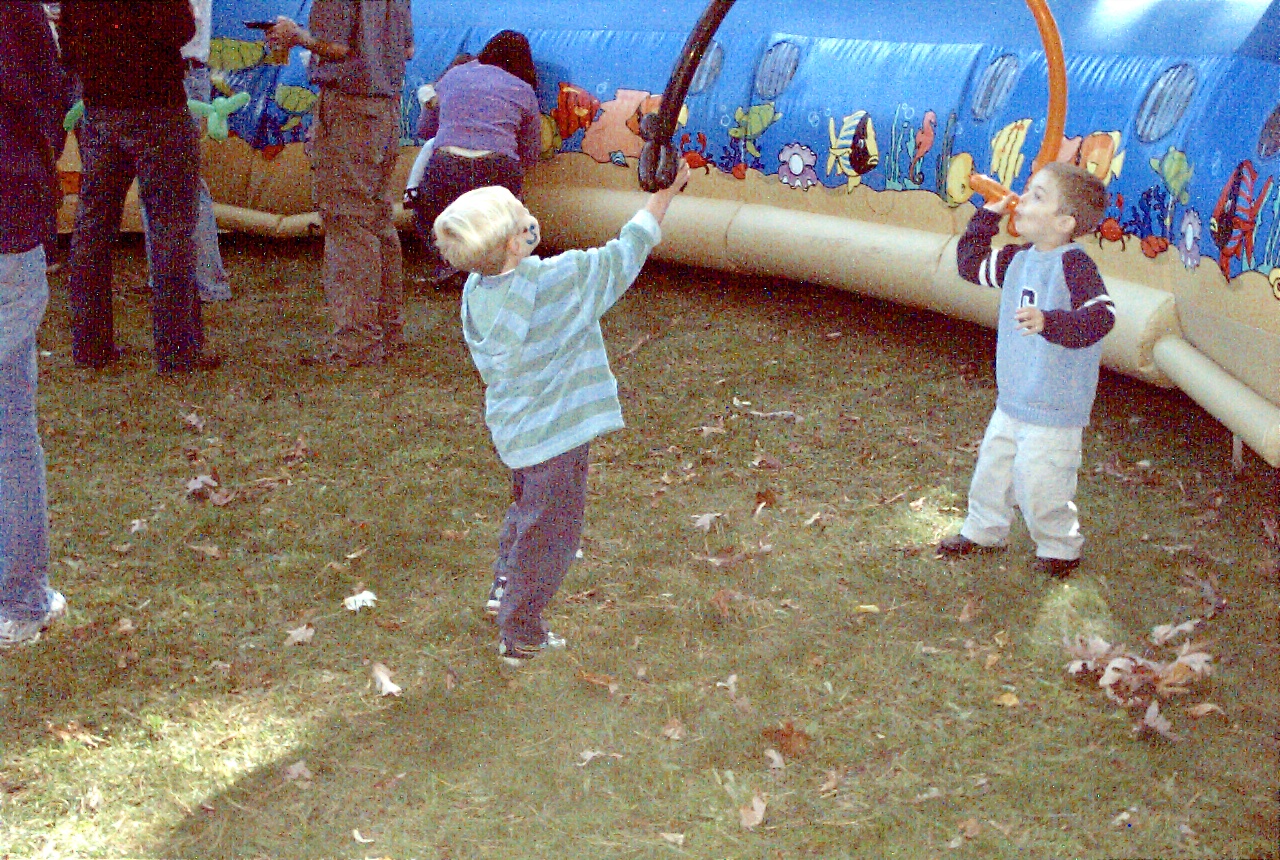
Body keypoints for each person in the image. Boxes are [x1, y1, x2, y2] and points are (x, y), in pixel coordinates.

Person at [434, 159, 691, 665]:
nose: (530, 216)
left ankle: (504, 584)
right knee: (551, 536)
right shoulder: (560, 281)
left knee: (526, 512)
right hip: (558, 435)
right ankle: (522, 633)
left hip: (518, 433)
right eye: (521, 214)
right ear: (516, 241)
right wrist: (662, 197)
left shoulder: (475, 290)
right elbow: (624, 254)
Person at [936, 162, 1113, 578]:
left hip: (1054, 406)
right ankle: (984, 530)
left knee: (1041, 481)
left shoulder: (1075, 265)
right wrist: (987, 217)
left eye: (1037, 195)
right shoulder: (1017, 259)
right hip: (1013, 397)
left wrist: (1051, 322)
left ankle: (1059, 547)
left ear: (1064, 222)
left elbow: (1102, 317)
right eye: (1028, 190)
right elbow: (969, 265)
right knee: (993, 469)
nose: (1023, 199)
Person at [60, 0, 220, 375]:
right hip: (159, 106)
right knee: (170, 229)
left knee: (92, 229)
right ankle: (177, 351)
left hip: (101, 107)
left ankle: (90, 346)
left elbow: (67, 45)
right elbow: (182, 29)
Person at [268, 1, 413, 367]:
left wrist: (295, 36)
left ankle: (357, 343)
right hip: (385, 109)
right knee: (377, 219)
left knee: (348, 223)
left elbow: (336, 47)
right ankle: (387, 329)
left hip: (349, 109)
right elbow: (408, 49)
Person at [0, 1, 72, 647]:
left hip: (12, 216)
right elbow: (51, 90)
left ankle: (22, 601)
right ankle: (19, 604)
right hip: (10, 218)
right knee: (10, 425)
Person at [414, 31, 542, 280]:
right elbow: (531, 149)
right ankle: (494, 270)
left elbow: (426, 129)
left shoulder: (454, 75)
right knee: (501, 221)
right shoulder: (523, 89)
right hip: (497, 164)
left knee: (433, 214)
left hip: (447, 163)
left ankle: (447, 264)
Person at [141, 0, 232, 304]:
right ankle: (165, 279)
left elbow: (181, 23)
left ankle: (207, 283)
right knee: (156, 180)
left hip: (180, 72)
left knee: (184, 183)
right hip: (167, 71)